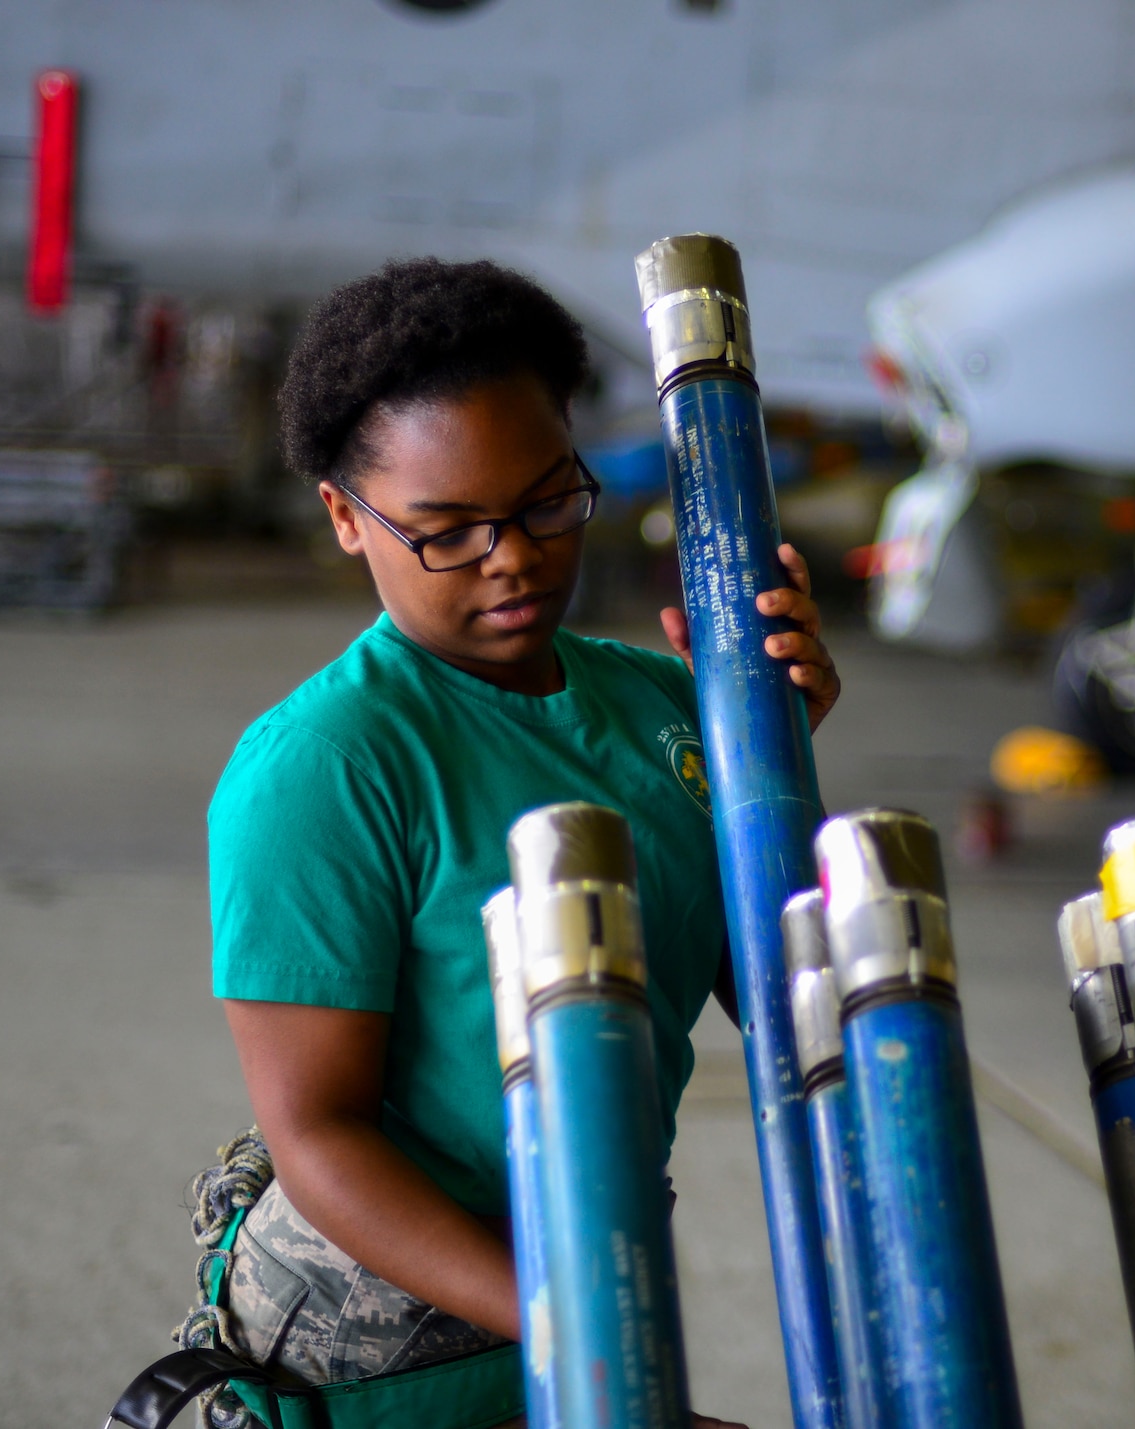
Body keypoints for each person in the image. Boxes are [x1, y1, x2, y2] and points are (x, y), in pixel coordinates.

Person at [183, 259, 836, 1428]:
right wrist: (586, 1330)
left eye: (545, 503)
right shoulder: (323, 766)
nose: (514, 557)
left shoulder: (663, 709)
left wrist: (775, 766)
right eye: (446, 531)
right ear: (345, 516)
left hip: (593, 1264)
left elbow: (786, 1003)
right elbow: (318, 1136)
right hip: (386, 1349)